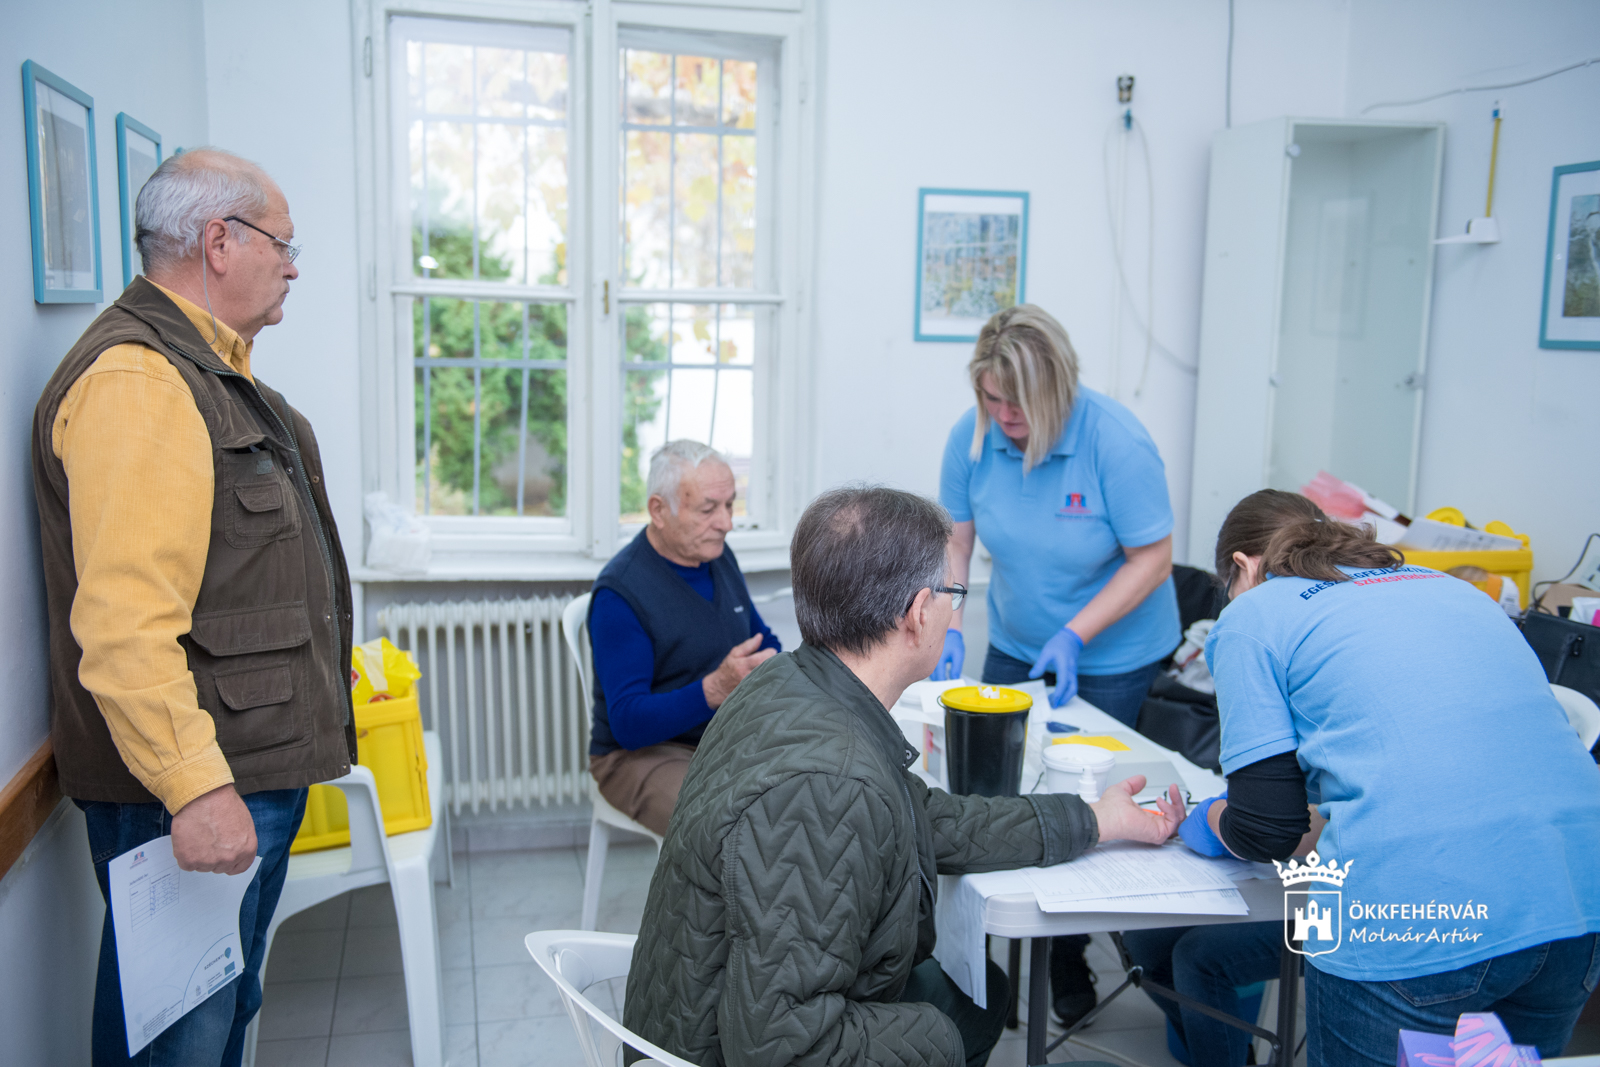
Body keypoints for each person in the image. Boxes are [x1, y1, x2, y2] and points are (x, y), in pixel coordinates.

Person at [623, 485, 1184, 1067]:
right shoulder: (829, 785)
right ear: (918, 613)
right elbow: (786, 1048)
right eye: (952, 594)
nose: (953, 609)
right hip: (719, 1050)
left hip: (710, 1009)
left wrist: (1093, 819)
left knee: (982, 998)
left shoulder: (791, 682)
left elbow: (928, 817)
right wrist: (936, 1038)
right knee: (959, 1017)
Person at [32, 149, 354, 1066]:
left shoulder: (206, 370)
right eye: (282, 245)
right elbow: (125, 623)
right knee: (178, 1043)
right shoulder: (139, 382)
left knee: (222, 1016)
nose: (292, 266)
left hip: (235, 766)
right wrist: (197, 789)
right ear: (220, 242)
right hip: (194, 789)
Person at [1180, 489, 1600, 1066]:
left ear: (1242, 567)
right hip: (1574, 901)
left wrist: (1206, 818)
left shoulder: (1252, 615)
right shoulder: (1451, 587)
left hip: (1415, 918)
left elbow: (1266, 832)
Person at [937, 304, 1182, 1026]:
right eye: (992, 398)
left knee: (1084, 791)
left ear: (1059, 390)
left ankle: (1067, 957)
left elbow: (1153, 558)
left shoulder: (1114, 441)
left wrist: (1076, 633)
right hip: (1015, 640)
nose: (1005, 415)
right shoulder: (973, 437)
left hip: (1111, 655)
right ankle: (990, 950)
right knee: (1000, 791)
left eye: (1019, 402)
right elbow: (956, 540)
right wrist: (951, 619)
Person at [587, 440, 781, 835]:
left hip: (720, 735)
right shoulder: (620, 593)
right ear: (659, 510)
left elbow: (761, 640)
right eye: (708, 510)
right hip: (638, 755)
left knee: (811, 790)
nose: (726, 523)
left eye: (729, 506)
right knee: (726, 825)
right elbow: (628, 723)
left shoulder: (718, 556)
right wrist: (714, 689)